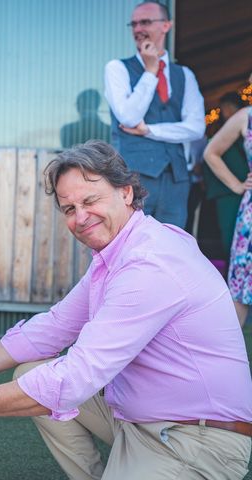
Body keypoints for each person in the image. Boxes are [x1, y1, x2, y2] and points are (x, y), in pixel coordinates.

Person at [0, 140, 252, 479]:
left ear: (127, 193)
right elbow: (56, 325)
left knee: (56, 382)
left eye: (90, 200)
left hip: (198, 440)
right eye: (69, 209)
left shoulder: (149, 263)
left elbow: (75, 378)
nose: (81, 217)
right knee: (30, 373)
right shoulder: (120, 250)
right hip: (139, 420)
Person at [104, 1, 205, 228]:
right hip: (133, 177)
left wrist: (149, 130)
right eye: (134, 23)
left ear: (166, 25)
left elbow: (196, 127)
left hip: (177, 180)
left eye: (146, 22)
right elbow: (129, 117)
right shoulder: (116, 68)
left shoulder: (184, 75)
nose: (138, 28)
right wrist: (151, 71)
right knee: (128, 244)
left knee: (172, 246)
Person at [203, 90, 252, 328]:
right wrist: (237, 185)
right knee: (242, 285)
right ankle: (226, 360)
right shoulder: (246, 116)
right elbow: (210, 152)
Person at [203, 92, 249, 263]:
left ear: (228, 108)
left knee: (232, 240)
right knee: (235, 244)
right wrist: (237, 185)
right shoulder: (242, 120)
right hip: (231, 192)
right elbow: (210, 153)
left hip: (230, 192)